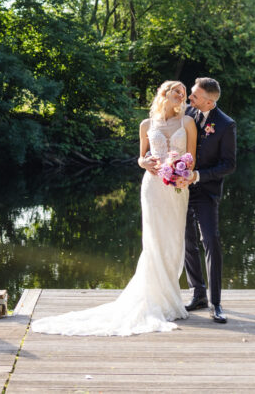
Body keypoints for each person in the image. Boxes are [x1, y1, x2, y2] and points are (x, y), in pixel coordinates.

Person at [31, 81, 197, 336]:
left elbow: (191, 157)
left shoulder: (187, 123)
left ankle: (170, 297)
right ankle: (155, 297)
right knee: (153, 241)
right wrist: (144, 163)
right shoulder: (146, 124)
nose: (181, 96)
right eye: (177, 91)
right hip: (152, 186)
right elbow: (141, 157)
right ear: (164, 94)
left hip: (177, 188)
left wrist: (180, 169)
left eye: (184, 94)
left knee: (174, 241)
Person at [182, 77, 237, 323]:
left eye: (194, 96)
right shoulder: (186, 113)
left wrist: (199, 175)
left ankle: (215, 303)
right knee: (187, 241)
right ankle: (198, 294)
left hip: (206, 190)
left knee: (211, 241)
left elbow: (229, 165)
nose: (189, 99)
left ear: (208, 101)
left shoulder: (226, 125)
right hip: (181, 189)